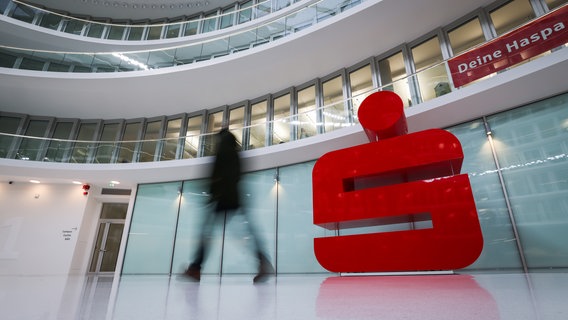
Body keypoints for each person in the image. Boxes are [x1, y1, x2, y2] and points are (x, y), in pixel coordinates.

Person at [185, 128, 274, 283]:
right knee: (245, 232)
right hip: (234, 198)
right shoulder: (236, 152)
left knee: (207, 233)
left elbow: (216, 172)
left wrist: (212, 191)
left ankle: (195, 268)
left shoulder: (222, 149)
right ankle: (263, 262)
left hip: (221, 198)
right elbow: (237, 175)